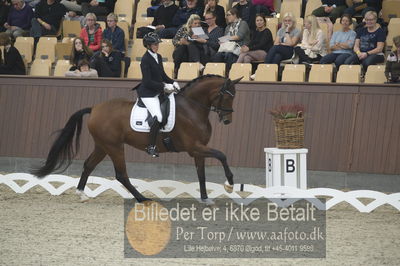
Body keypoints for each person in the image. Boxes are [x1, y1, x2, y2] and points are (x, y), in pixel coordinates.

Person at [137, 32, 180, 157]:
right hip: (148, 94)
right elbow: (147, 81)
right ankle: (151, 146)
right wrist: (164, 86)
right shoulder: (145, 59)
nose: (157, 46)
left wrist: (173, 82)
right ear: (148, 45)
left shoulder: (158, 57)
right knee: (158, 116)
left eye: (157, 44)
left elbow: (162, 75)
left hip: (158, 91)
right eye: (154, 44)